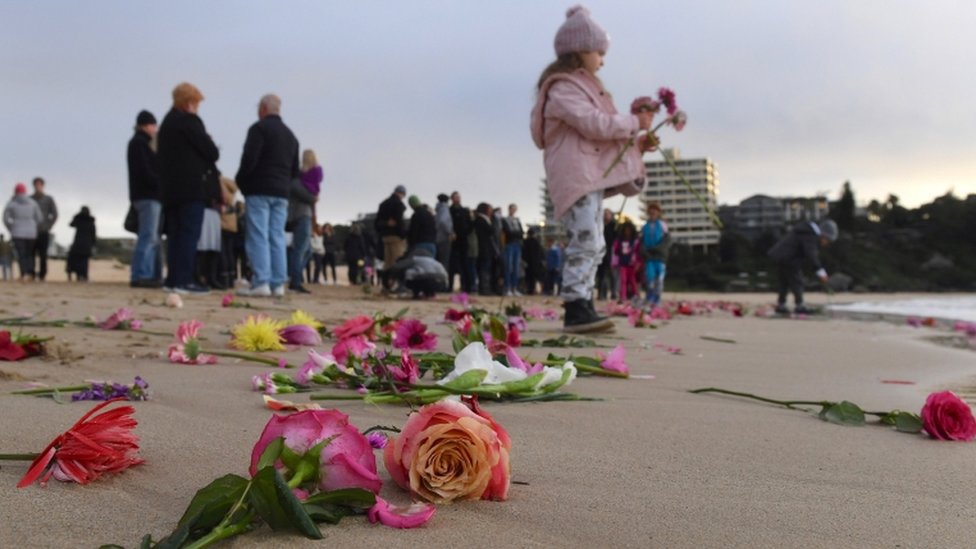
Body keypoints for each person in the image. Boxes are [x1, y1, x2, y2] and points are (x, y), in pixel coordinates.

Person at [530, 5, 653, 333]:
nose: (602, 59)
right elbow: (593, 124)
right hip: (576, 177)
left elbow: (599, 140)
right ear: (581, 51)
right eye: (599, 52)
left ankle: (582, 301)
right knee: (585, 238)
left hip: (586, 175)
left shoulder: (577, 87)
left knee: (594, 240)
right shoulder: (564, 88)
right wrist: (632, 123)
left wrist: (637, 142)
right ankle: (575, 305)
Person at [157, 82, 220, 295]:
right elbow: (211, 152)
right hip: (191, 188)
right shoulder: (189, 122)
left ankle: (173, 279)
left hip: (170, 189)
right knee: (189, 235)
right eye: (196, 103)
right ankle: (184, 280)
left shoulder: (167, 123)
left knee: (175, 234)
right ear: (189, 102)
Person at [235, 94, 300, 297]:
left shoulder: (259, 129)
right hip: (281, 192)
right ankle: (277, 283)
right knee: (277, 236)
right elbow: (294, 171)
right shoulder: (291, 136)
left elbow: (249, 160)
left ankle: (261, 281)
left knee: (258, 235)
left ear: (263, 108)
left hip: (259, 189)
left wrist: (242, 183)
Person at [768, 219, 839, 315]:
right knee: (797, 281)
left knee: (784, 282)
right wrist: (820, 271)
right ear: (824, 235)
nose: (826, 243)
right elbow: (811, 255)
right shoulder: (809, 235)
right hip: (789, 258)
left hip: (780, 256)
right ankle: (799, 305)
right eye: (828, 240)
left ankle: (781, 304)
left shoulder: (804, 231)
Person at [127, 110, 163, 288]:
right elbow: (146, 171)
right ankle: (141, 274)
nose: (155, 129)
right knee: (148, 236)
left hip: (148, 196)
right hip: (147, 196)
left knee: (152, 237)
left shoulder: (143, 143)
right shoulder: (139, 144)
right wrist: (159, 184)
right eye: (153, 125)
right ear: (145, 125)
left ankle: (149, 274)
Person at [3, 183, 42, 281]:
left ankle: (24, 273)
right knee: (30, 254)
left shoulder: (11, 203)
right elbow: (39, 218)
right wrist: (33, 226)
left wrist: (11, 227)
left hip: (17, 232)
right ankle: (30, 273)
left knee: (21, 254)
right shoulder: (33, 203)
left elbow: (5, 218)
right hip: (31, 233)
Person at [286, 175, 317, 294]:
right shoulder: (296, 182)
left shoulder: (299, 182)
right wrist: (314, 195)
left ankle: (295, 275)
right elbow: (311, 198)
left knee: (307, 250)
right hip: (300, 216)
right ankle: (295, 280)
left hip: (305, 216)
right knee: (299, 250)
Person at [374, 185, 407, 289]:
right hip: (396, 237)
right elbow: (399, 222)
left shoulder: (383, 204)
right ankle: (397, 286)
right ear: (402, 193)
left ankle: (385, 286)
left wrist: (385, 225)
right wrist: (403, 235)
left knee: (387, 263)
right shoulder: (399, 204)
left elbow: (377, 222)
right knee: (398, 262)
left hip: (385, 237)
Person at [640, 201, 671, 307]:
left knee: (659, 278)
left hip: (660, 256)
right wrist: (644, 251)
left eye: (655, 210)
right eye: (651, 209)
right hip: (649, 256)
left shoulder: (663, 225)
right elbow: (642, 241)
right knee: (650, 278)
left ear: (658, 212)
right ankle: (650, 297)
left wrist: (659, 249)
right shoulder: (644, 227)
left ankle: (657, 299)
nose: (653, 211)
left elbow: (667, 240)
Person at [30, 177, 57, 281]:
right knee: (31, 254)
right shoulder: (30, 199)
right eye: (36, 184)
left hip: (43, 231)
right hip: (31, 231)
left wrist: (48, 226)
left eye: (39, 184)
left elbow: (54, 214)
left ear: (42, 185)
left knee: (43, 254)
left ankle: (42, 274)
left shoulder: (48, 199)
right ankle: (31, 273)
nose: (38, 186)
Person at [218, 177, 241, 288]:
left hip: (223, 224)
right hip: (232, 225)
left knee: (224, 253)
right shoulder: (232, 192)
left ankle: (225, 279)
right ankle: (231, 278)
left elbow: (224, 200)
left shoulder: (222, 186)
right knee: (230, 253)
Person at [448, 191, 472, 292]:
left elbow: (470, 225)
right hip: (453, 241)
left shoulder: (464, 211)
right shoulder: (449, 211)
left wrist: (464, 233)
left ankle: (466, 286)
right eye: (455, 197)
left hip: (463, 240)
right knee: (452, 265)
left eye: (458, 197)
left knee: (465, 264)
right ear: (452, 199)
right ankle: (450, 286)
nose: (457, 199)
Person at [473, 202, 498, 295]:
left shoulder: (480, 220)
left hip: (484, 248)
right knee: (484, 269)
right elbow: (491, 231)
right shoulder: (481, 220)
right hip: (484, 248)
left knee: (485, 268)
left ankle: (485, 288)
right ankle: (484, 288)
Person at [612, 220, 639, 302]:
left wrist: (638, 263)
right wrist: (614, 263)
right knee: (623, 280)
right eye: (625, 230)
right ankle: (623, 296)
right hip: (622, 263)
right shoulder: (619, 241)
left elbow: (638, 253)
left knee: (632, 281)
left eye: (629, 230)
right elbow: (615, 252)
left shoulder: (635, 241)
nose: (627, 232)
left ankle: (635, 295)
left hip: (632, 264)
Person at [67, 206, 96, 281]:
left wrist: (77, 215)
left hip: (78, 242)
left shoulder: (78, 220)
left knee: (77, 259)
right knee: (84, 261)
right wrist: (93, 243)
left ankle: (79, 275)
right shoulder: (91, 221)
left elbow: (71, 224)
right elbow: (93, 234)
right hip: (87, 243)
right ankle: (84, 275)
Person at [501, 203, 524, 296]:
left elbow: (521, 232)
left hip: (517, 244)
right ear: (509, 209)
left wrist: (515, 233)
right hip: (509, 244)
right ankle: (508, 287)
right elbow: (507, 231)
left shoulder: (517, 220)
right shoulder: (505, 220)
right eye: (512, 209)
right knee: (509, 267)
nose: (513, 211)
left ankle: (514, 288)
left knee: (516, 267)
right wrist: (516, 233)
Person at [596, 208, 618, 300]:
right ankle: (601, 293)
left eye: (607, 213)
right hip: (601, 252)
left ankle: (613, 292)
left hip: (611, 252)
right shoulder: (599, 226)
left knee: (613, 275)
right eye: (604, 213)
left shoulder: (614, 226)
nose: (605, 215)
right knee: (602, 274)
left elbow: (617, 238)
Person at [521, 227, 545, 295]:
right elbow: (541, 253)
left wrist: (524, 260)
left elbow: (524, 253)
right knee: (535, 277)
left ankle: (530, 289)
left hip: (528, 263)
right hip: (536, 263)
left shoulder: (526, 242)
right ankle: (534, 289)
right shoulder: (537, 242)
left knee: (528, 277)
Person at [434, 193, 454, 271]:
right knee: (444, 262)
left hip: (437, 238)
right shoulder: (445, 209)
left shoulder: (438, 209)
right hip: (444, 239)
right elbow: (443, 221)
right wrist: (450, 232)